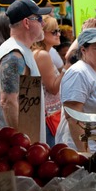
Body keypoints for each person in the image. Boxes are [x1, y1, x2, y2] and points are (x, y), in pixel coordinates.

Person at [0, 0, 51, 131]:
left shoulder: (18, 50)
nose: (43, 23)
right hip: (14, 146)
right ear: (26, 22)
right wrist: (24, 141)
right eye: (39, 19)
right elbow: (8, 102)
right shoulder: (14, 54)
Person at [55, 28, 96, 152]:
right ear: (83, 50)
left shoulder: (91, 72)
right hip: (85, 154)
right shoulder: (78, 73)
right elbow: (73, 118)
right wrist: (86, 155)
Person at [32, 15, 70, 146]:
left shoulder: (42, 53)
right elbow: (53, 88)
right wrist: (67, 66)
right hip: (48, 118)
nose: (58, 34)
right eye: (54, 32)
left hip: (49, 115)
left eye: (59, 30)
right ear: (42, 33)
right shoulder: (42, 55)